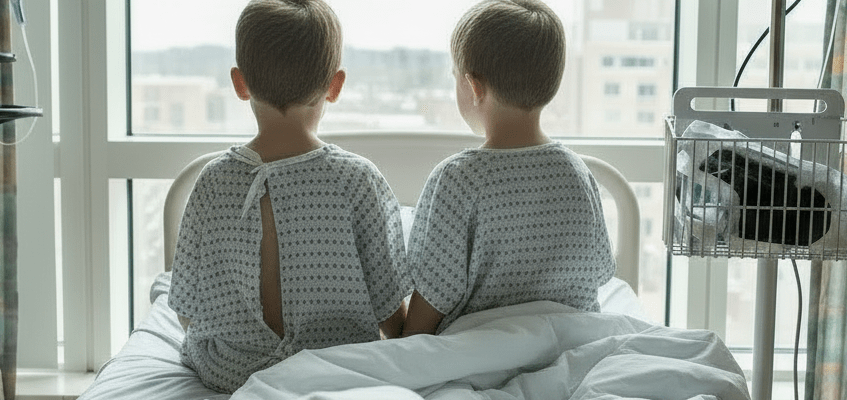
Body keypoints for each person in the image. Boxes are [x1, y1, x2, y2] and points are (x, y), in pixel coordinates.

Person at [168, 0, 409, 392]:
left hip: (231, 373)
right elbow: (391, 316)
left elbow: (187, 310)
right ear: (335, 86)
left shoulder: (212, 182)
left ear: (239, 83)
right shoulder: (357, 180)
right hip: (335, 371)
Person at [402, 0, 615, 336]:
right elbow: (599, 271)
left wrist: (405, 343)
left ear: (474, 86)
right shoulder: (577, 173)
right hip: (570, 344)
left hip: (482, 352)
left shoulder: (458, 178)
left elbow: (434, 293)